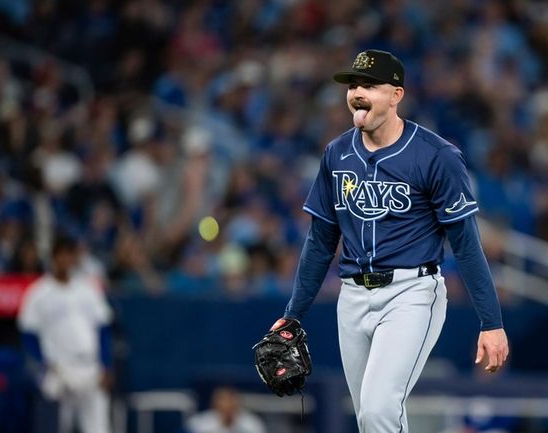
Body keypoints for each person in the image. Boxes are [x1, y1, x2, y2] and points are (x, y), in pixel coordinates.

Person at [271, 49, 509, 433]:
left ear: (396, 95)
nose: (357, 93)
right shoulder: (337, 154)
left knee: (380, 410)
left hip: (411, 293)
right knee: (369, 418)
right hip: (350, 297)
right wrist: (293, 313)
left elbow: (466, 243)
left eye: (369, 85)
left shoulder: (436, 155)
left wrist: (491, 322)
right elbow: (320, 241)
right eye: (353, 85)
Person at [17, 235, 113, 433]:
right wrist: (42, 367)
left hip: (90, 366)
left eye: (69, 255)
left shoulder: (88, 289)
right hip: (59, 369)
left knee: (98, 428)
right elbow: (28, 334)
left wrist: (106, 365)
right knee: (56, 427)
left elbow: (103, 328)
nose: (65, 260)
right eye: (60, 255)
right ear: (53, 257)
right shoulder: (39, 292)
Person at [185, 386, 267, 433]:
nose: (227, 406)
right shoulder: (198, 424)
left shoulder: (252, 424)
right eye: (223, 401)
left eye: (230, 401)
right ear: (215, 404)